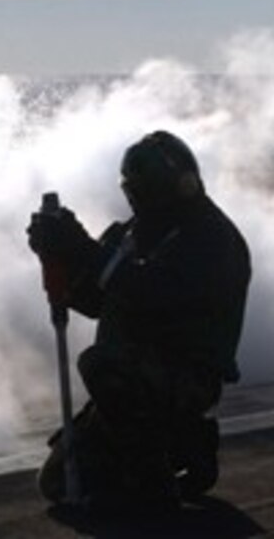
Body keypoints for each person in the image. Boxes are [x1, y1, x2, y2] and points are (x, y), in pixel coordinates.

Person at [27, 130, 250, 512]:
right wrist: (61, 257)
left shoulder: (212, 238)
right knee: (58, 482)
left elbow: (153, 293)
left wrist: (86, 251)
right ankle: (186, 444)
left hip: (185, 374)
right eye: (138, 191)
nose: (142, 200)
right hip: (133, 379)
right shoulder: (133, 232)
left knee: (100, 363)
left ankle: (155, 485)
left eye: (150, 190)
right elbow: (97, 300)